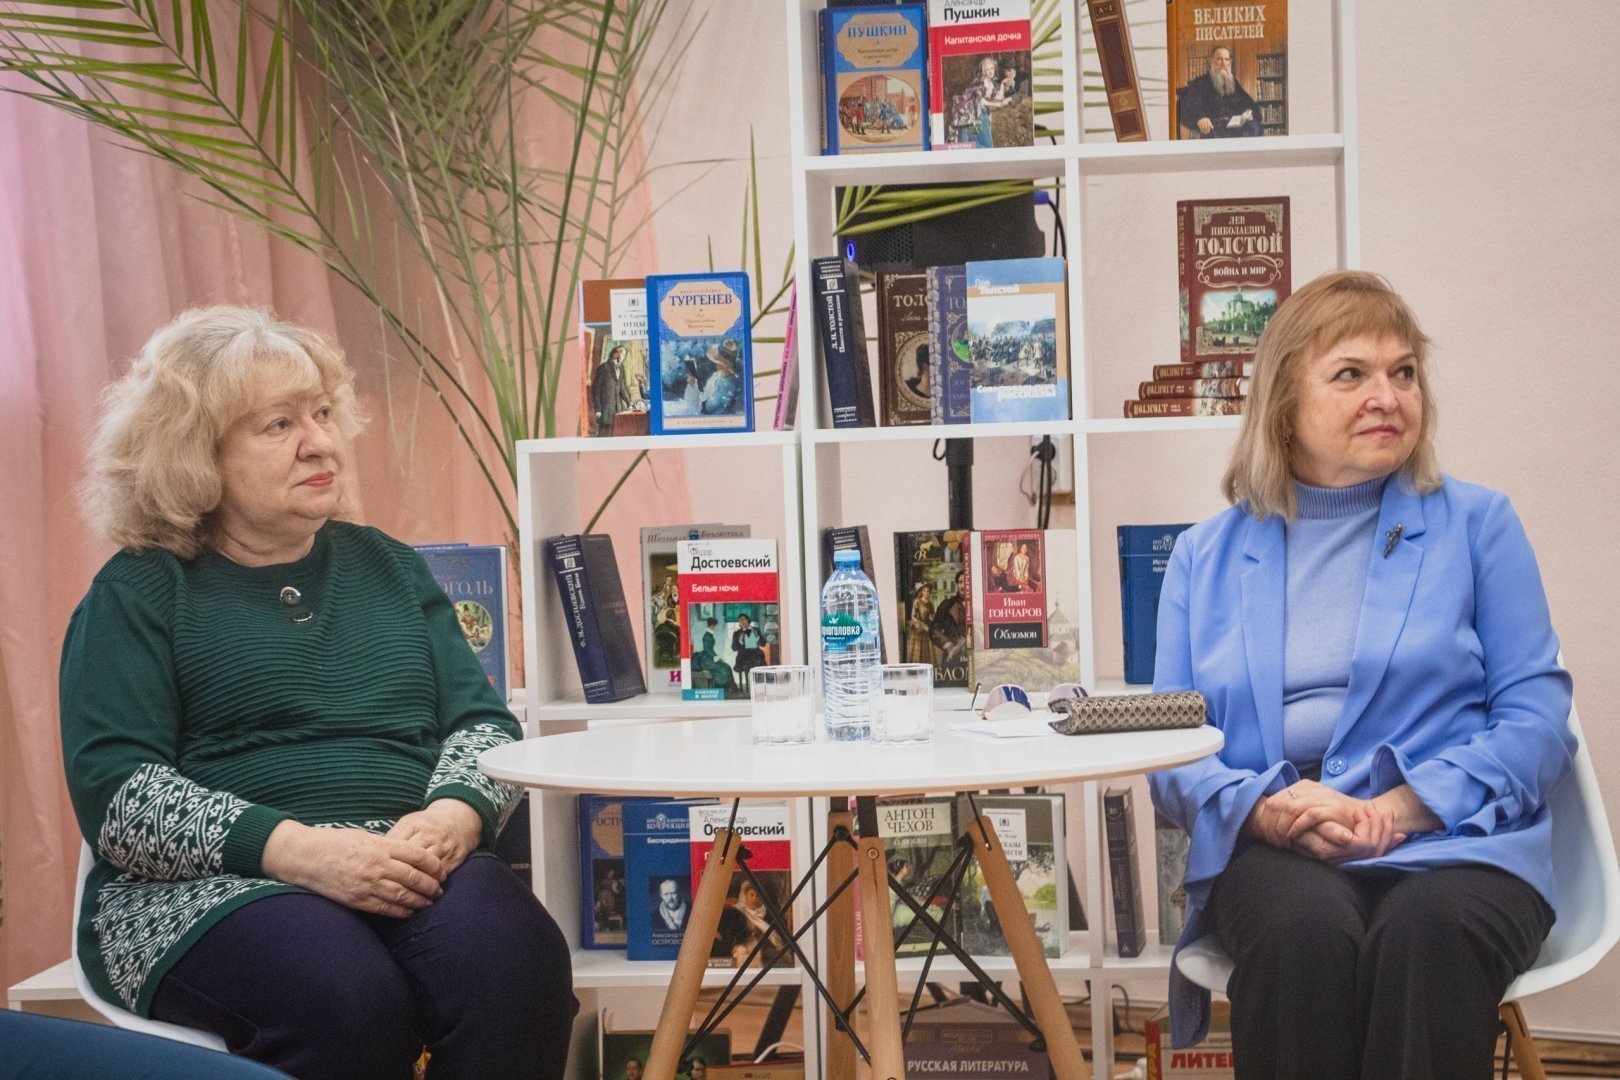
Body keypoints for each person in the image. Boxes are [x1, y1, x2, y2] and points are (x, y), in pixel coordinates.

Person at [59, 307, 577, 1080]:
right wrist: (303, 852)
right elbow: (118, 795)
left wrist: (451, 818)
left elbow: (482, 725)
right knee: (342, 999)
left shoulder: (388, 566)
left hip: (409, 856)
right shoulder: (137, 591)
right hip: (215, 888)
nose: (320, 443)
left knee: (516, 964)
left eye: (323, 413)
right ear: (196, 452)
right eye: (279, 424)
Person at [1147, 271, 1574, 1080]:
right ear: (1283, 403)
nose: (1388, 396)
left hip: (1461, 840)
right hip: (1282, 846)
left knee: (1426, 935)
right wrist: (1268, 814)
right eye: (1351, 374)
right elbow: (1171, 753)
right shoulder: (1204, 557)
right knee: (1302, 934)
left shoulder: (1480, 524)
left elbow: (1538, 721)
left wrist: (1401, 808)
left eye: (1403, 372)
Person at [1179, 46, 1260, 138]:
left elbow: (1250, 104)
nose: (1224, 63)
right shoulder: (1200, 82)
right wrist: (1200, 118)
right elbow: (1190, 105)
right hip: (1214, 128)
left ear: (1230, 62)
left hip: (1235, 128)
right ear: (1212, 61)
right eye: (1219, 59)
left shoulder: (1233, 83)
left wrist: (1250, 114)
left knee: (1254, 127)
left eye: (1226, 59)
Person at [590, 343, 636, 436]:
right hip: (605, 409)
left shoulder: (621, 369)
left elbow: (622, 388)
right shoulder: (603, 368)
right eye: (623, 354)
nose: (624, 357)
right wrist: (598, 409)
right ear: (616, 354)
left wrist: (629, 402)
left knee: (617, 434)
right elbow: (596, 390)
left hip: (618, 408)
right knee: (604, 434)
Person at [905, 582, 937, 665]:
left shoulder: (930, 604)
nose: (926, 593)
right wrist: (921, 625)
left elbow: (933, 616)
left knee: (927, 650)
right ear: (922, 592)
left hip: (927, 629)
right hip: (918, 629)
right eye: (924, 591)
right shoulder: (917, 602)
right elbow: (913, 616)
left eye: (928, 591)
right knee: (917, 650)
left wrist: (936, 623)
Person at [730, 612, 766, 685]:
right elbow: (734, 648)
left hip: (756, 654)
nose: (741, 622)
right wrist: (740, 641)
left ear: (748, 620)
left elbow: (763, 644)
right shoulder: (736, 633)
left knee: (760, 662)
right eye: (740, 621)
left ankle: (760, 684)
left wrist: (757, 637)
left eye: (743, 619)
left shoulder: (756, 630)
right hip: (744, 656)